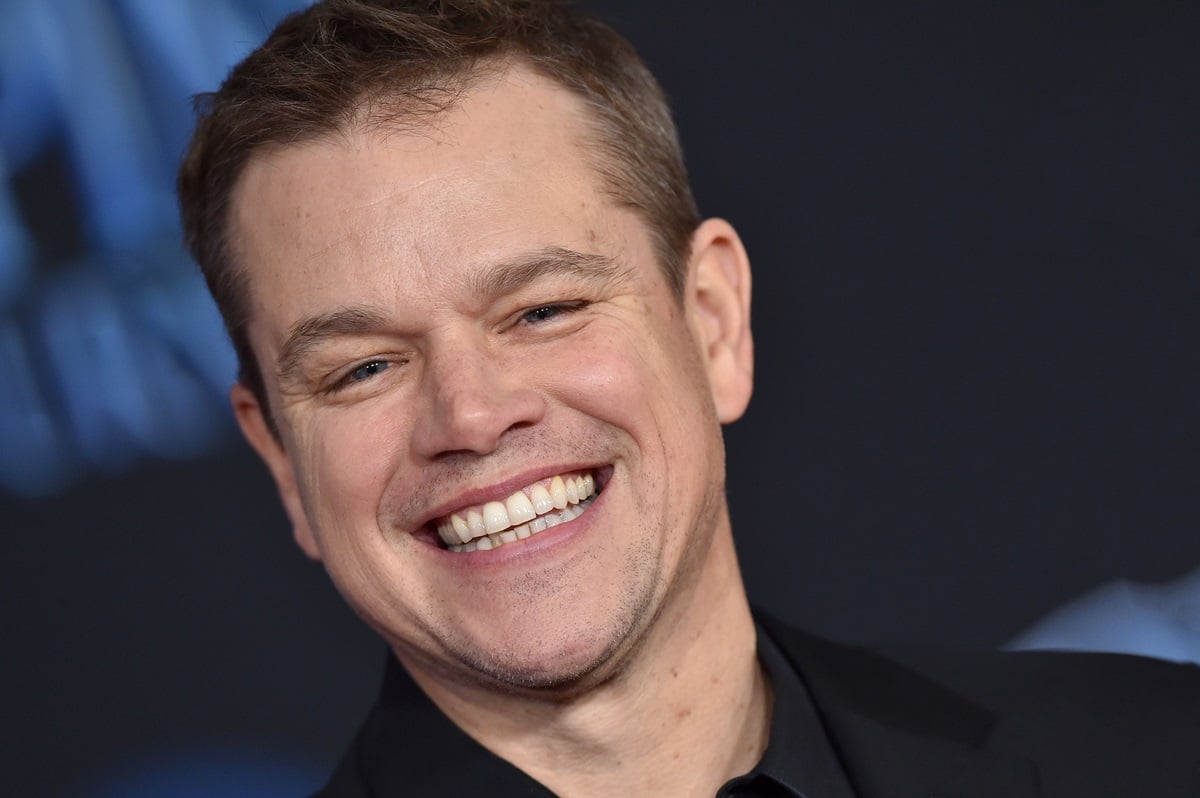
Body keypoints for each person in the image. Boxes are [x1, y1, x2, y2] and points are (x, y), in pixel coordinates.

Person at [177, 1, 1200, 795]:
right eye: (364, 368)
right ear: (282, 463)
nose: (473, 417)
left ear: (712, 322)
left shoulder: (1153, 761)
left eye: (543, 309)